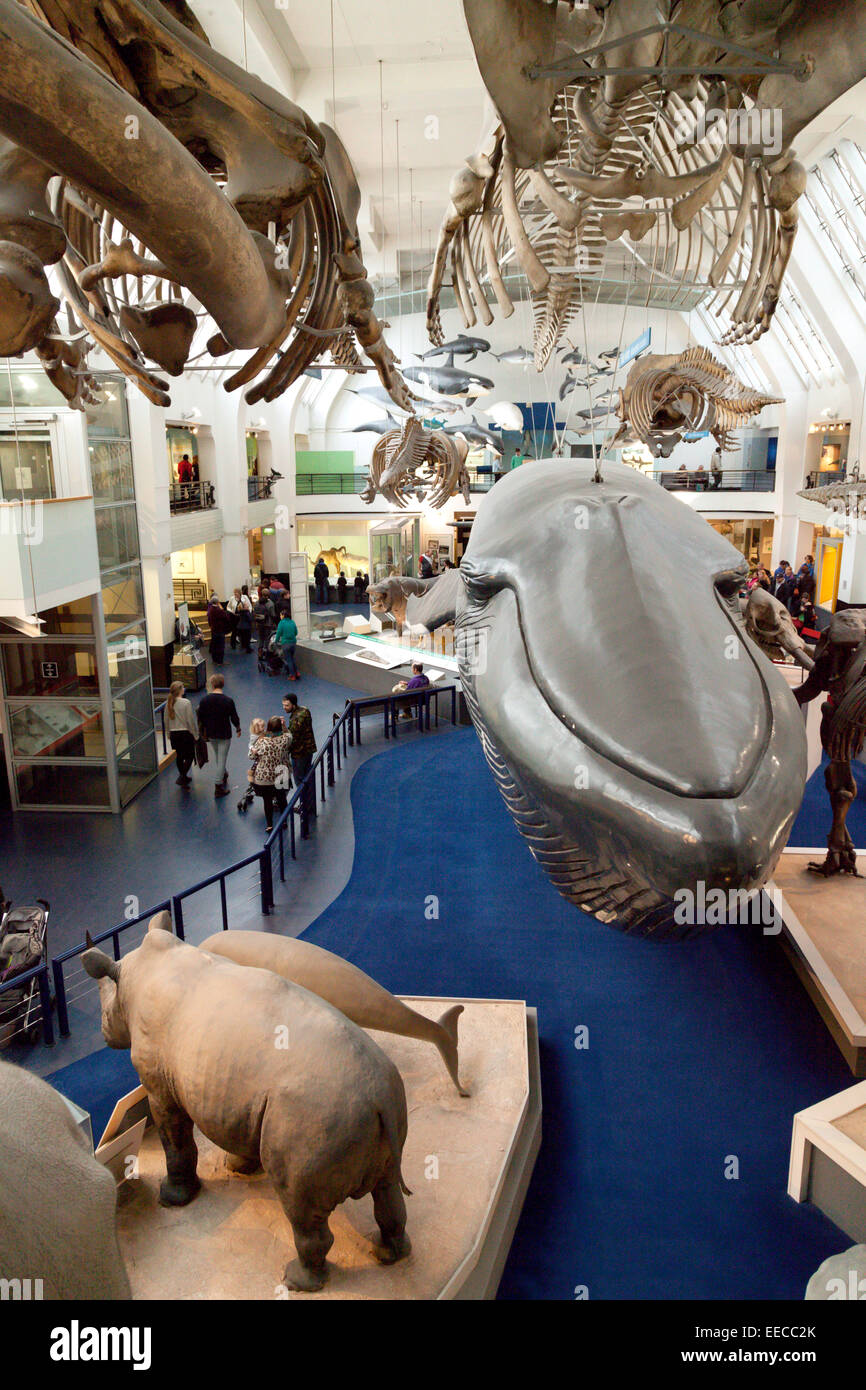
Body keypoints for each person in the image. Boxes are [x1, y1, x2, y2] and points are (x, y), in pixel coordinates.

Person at [197, 673, 241, 797]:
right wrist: (238, 728)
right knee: (221, 758)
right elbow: (234, 716)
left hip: (211, 733)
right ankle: (218, 786)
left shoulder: (204, 700)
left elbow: (200, 716)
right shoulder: (228, 701)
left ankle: (223, 773)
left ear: (212, 684)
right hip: (224, 734)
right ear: (223, 684)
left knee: (218, 755)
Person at [249, 716, 293, 833]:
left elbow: (251, 756)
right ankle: (283, 821)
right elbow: (289, 734)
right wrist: (284, 726)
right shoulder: (285, 739)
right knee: (282, 798)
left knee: (267, 801)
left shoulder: (262, 741)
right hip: (281, 773)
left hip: (265, 776)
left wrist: (253, 751)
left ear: (268, 728)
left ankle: (269, 824)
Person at [282, 693, 316, 830]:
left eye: (287, 705)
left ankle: (305, 807)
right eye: (283, 705)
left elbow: (292, 738)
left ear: (293, 705)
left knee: (300, 780)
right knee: (308, 778)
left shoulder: (296, 719)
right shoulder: (305, 710)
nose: (284, 707)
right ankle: (309, 805)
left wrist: (284, 730)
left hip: (299, 754)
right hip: (309, 750)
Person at [165, 680, 197, 787]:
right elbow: (190, 720)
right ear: (180, 690)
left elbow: (166, 720)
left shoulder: (168, 703)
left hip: (174, 734)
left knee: (179, 755)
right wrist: (195, 734)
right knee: (190, 755)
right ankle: (182, 776)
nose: (184, 689)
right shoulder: (186, 702)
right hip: (185, 733)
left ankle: (183, 776)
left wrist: (168, 734)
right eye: (183, 687)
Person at [206, 594, 231, 664]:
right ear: (217, 602)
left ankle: (214, 660)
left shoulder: (210, 609)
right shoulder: (218, 610)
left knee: (215, 645)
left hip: (213, 630)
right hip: (220, 630)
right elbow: (226, 617)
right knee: (220, 646)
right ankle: (220, 661)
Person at [274, 610, 299, 680]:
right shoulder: (292, 622)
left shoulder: (281, 623)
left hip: (286, 643)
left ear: (283, 616)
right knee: (292, 658)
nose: (280, 617)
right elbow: (296, 632)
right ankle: (297, 672)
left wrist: (276, 642)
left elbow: (278, 633)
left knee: (289, 660)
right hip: (293, 643)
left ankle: (292, 675)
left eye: (280, 615)